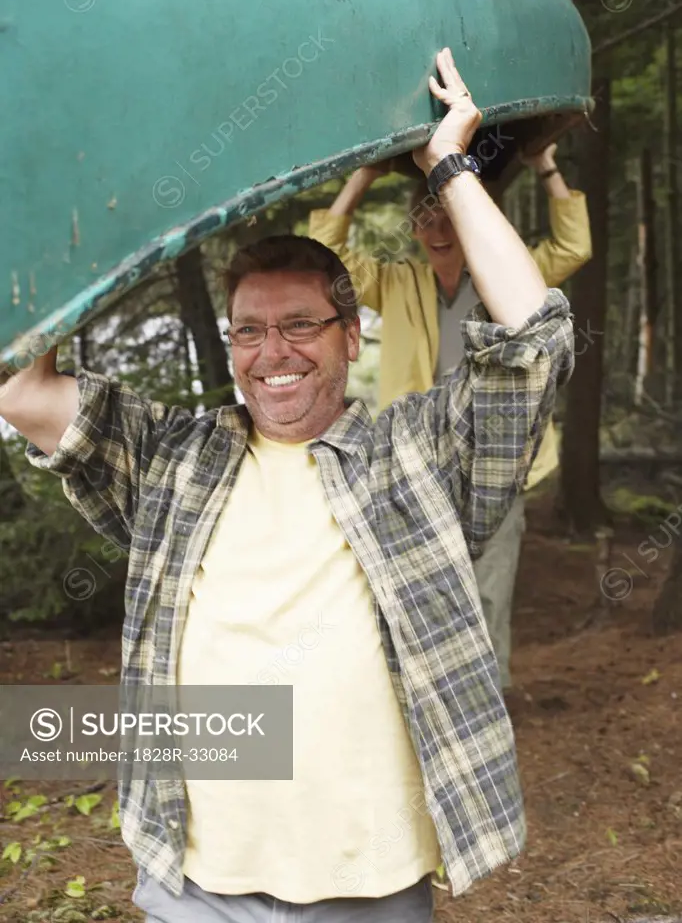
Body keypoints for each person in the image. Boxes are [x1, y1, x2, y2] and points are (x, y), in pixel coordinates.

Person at [0, 49, 574, 923]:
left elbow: (533, 339)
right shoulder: (175, 456)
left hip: (368, 884)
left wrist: (447, 165)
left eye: (301, 324)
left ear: (352, 335)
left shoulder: (415, 457)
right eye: (250, 332)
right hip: (194, 880)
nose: (273, 354)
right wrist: (66, 183)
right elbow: (23, 390)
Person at [308, 141, 591, 692]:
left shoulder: (511, 274)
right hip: (419, 456)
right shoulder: (396, 283)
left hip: (498, 456)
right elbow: (324, 252)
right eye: (426, 218)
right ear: (415, 227)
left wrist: (546, 165)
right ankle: (418, 697)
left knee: (490, 584)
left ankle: (487, 700)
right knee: (415, 584)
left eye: (448, 216)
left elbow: (574, 245)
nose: (438, 229)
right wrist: (362, 175)